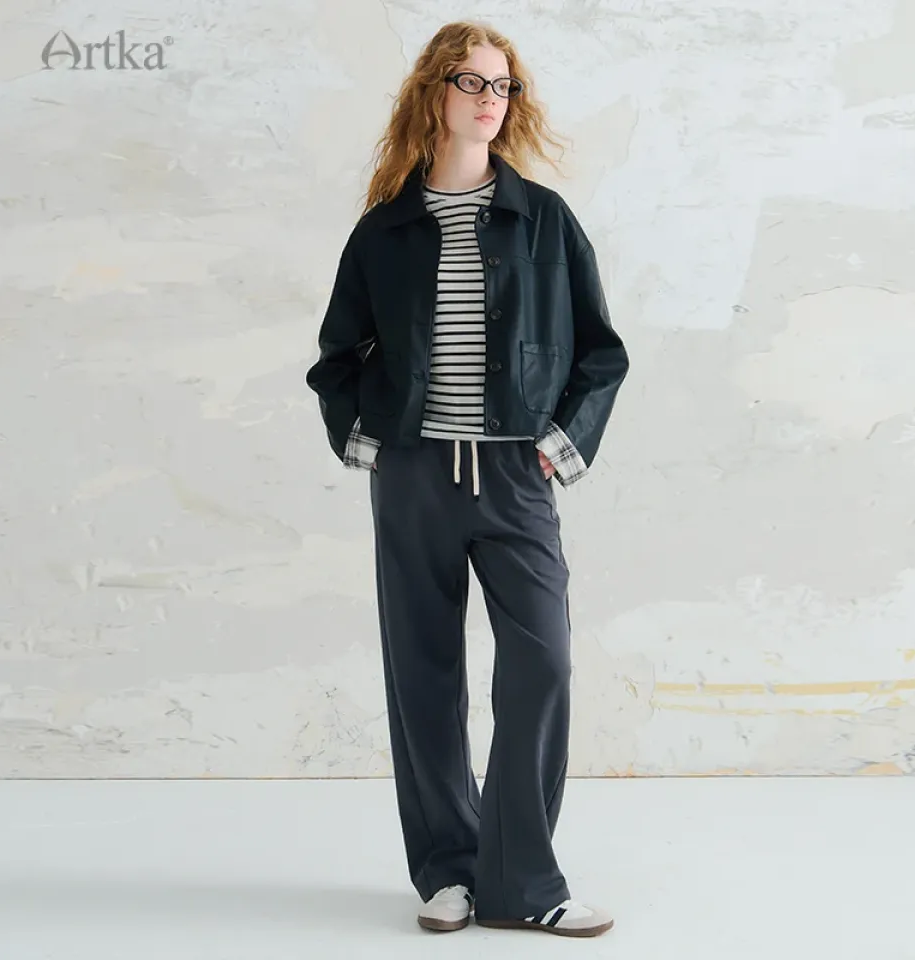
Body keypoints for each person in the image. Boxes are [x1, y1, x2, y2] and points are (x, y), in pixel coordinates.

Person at [306, 20, 629, 938]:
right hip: (413, 474)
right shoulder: (384, 230)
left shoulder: (545, 221)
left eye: (503, 85)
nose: (491, 99)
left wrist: (556, 445)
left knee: (543, 661)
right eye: (472, 81)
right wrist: (368, 442)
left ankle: (523, 881)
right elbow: (336, 358)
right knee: (423, 671)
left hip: (515, 474)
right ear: (435, 93)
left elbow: (601, 354)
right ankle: (448, 870)